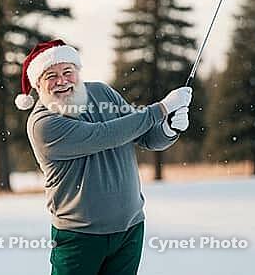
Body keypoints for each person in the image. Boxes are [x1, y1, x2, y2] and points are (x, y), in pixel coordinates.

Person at [15, 39, 192, 275]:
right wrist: (160, 109)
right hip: (79, 236)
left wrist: (169, 129)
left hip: (129, 229)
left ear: (77, 73)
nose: (62, 81)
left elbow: (147, 137)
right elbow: (102, 136)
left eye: (68, 72)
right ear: (38, 85)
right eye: (51, 76)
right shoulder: (43, 124)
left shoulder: (102, 92)